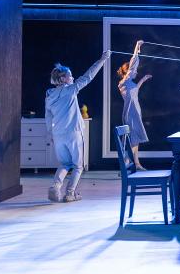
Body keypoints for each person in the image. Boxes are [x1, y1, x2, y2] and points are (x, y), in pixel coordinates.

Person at [46, 50, 111, 203]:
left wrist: (51, 134)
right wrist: (102, 59)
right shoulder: (71, 90)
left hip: (58, 134)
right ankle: (70, 193)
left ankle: (55, 187)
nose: (73, 77)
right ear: (63, 79)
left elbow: (48, 117)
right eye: (70, 75)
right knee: (78, 165)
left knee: (65, 163)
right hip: (73, 133)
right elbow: (88, 76)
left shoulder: (49, 94)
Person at [117, 40, 152, 171]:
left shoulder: (129, 84)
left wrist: (143, 79)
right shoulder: (124, 82)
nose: (136, 72)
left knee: (135, 138)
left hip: (136, 111)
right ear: (128, 72)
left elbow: (136, 89)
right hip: (130, 113)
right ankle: (125, 165)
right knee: (131, 139)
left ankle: (136, 164)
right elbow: (133, 64)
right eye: (134, 71)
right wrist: (137, 47)